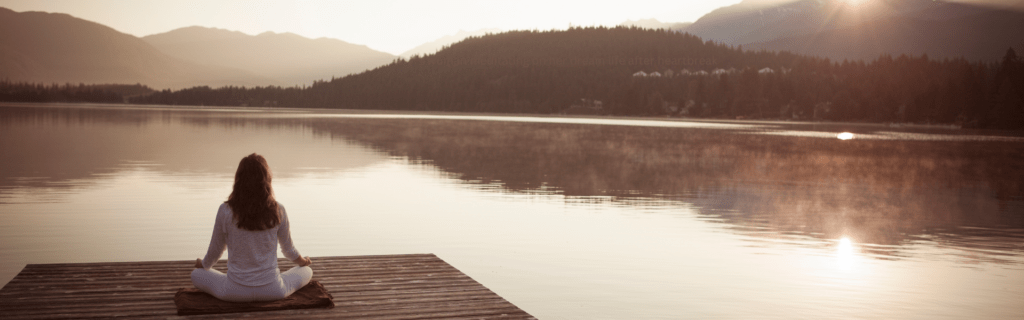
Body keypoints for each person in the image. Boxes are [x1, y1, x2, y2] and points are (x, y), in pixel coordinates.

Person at [190, 153, 313, 302]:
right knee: (307, 271)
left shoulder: (225, 210)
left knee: (196, 275)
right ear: (266, 180)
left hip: (234, 292)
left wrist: (203, 264)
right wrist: (303, 262)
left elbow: (216, 250)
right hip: (273, 290)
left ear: (239, 180)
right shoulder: (278, 210)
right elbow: (288, 250)